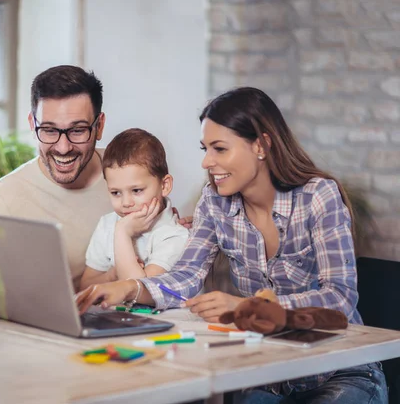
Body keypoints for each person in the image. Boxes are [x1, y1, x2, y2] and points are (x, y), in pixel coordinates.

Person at [76, 87, 387, 403]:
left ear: (261, 145)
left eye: (219, 149)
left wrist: (246, 307)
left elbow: (340, 297)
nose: (206, 162)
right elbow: (184, 279)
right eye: (205, 149)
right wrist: (129, 289)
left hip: (338, 371)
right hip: (266, 374)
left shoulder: (318, 197)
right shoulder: (215, 202)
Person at [0, 65, 191, 320]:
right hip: (44, 333)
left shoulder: (126, 174)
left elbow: (169, 245)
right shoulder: (4, 198)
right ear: (32, 123)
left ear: (99, 126)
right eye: (48, 130)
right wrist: (25, 304)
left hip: (129, 326)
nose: (62, 147)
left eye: (77, 130)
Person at [80, 128, 189, 290]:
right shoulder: (107, 224)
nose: (126, 202)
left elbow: (139, 291)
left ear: (164, 186)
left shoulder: (175, 236)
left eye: (136, 190)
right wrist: (113, 274)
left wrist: (123, 233)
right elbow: (84, 287)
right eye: (116, 192)